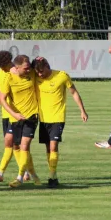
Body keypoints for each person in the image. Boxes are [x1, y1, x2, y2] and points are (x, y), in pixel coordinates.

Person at [34, 57, 88, 188]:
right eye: (37, 72)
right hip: (43, 118)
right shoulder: (35, 76)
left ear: (47, 66)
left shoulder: (62, 76)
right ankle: (54, 174)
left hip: (57, 117)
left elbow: (74, 92)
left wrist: (82, 110)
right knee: (48, 148)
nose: (40, 74)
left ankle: (51, 177)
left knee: (53, 147)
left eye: (41, 71)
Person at [0, 50, 34, 183]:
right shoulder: (2, 72)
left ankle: (3, 172)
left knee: (15, 143)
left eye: (4, 66)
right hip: (5, 113)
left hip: (17, 113)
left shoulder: (17, 72)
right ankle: (25, 173)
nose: (2, 69)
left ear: (9, 62)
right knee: (13, 145)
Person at [0, 55, 41, 188]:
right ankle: (33, 175)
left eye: (29, 67)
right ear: (16, 68)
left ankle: (20, 177)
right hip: (15, 118)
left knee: (24, 146)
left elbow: (43, 67)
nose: (29, 70)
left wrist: (39, 60)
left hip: (31, 116)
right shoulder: (9, 78)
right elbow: (2, 100)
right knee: (16, 146)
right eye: (25, 68)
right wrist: (14, 114)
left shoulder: (32, 73)